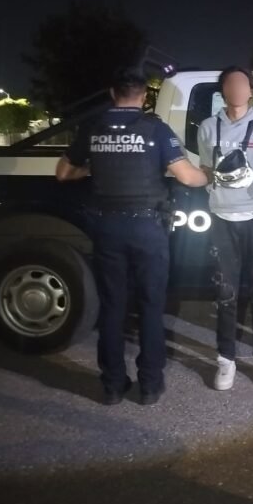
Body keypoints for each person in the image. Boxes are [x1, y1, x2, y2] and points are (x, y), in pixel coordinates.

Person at [56, 72, 210, 406]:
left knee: (113, 306)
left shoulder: (93, 128)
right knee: (151, 307)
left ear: (113, 93)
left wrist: (91, 168)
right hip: (146, 229)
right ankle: (150, 385)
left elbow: (63, 172)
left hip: (107, 228)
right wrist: (209, 174)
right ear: (144, 97)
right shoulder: (155, 129)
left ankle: (112, 385)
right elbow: (188, 178)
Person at [198, 66, 253, 391]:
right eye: (229, 84)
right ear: (223, 91)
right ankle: (226, 360)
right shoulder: (208, 127)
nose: (236, 89)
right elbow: (205, 168)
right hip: (222, 218)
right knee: (225, 292)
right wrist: (219, 194)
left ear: (251, 91)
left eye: (242, 84)